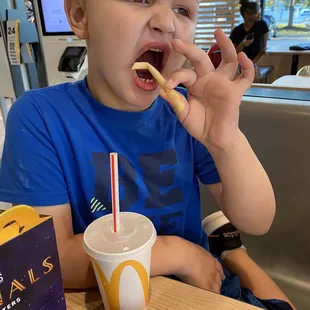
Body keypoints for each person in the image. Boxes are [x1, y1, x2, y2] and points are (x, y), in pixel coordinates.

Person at [0, 0, 294, 309]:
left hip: (200, 282)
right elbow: (49, 260)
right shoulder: (39, 116)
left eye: (182, 10)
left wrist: (227, 142)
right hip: (111, 288)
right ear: (80, 15)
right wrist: (179, 253)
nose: (166, 22)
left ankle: (232, 250)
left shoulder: (187, 113)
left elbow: (258, 221)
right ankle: (228, 246)